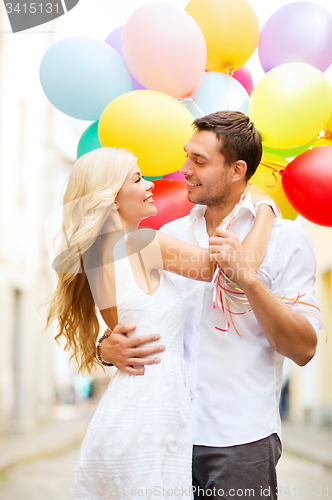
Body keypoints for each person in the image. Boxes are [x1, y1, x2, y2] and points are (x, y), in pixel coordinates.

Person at [99, 111, 321, 499]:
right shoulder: (169, 235)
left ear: (237, 170)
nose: (184, 168)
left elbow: (304, 348)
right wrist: (105, 349)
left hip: (241, 441)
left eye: (199, 161)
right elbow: (132, 317)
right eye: (187, 155)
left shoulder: (287, 241)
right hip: (165, 436)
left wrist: (251, 280)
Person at [46, 145, 277, 499]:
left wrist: (104, 350)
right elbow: (233, 268)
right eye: (138, 179)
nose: (151, 184)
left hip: (126, 408)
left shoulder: (94, 257)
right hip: (153, 412)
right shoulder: (141, 243)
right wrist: (264, 210)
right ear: (111, 200)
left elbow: (120, 335)